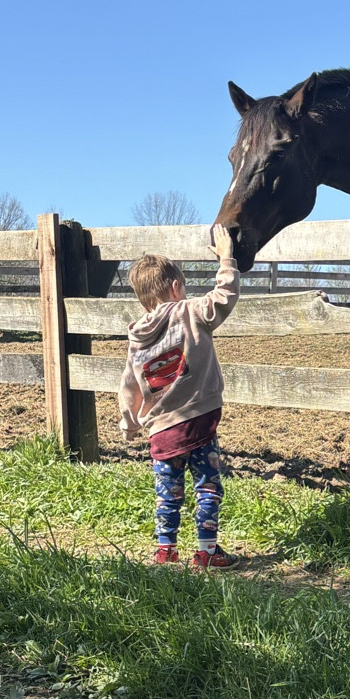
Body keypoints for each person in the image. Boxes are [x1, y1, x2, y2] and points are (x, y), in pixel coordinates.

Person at [118, 224, 240, 569]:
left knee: (167, 495)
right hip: (199, 423)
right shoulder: (189, 311)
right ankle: (206, 552)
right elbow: (224, 296)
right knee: (207, 487)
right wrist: (227, 257)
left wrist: (129, 425)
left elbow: (129, 386)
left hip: (160, 432)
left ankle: (165, 550)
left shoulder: (137, 338)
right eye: (183, 286)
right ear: (176, 287)